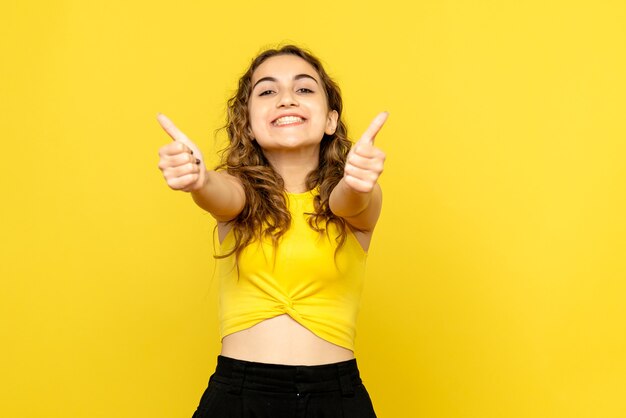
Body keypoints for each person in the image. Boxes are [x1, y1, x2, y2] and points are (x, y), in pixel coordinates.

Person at [157, 44, 387, 418]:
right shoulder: (238, 192)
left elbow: (350, 202)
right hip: (239, 397)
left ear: (330, 120)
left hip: (336, 399)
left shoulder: (356, 197)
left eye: (304, 89)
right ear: (247, 123)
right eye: (267, 91)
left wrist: (358, 182)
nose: (286, 100)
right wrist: (198, 180)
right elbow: (222, 194)